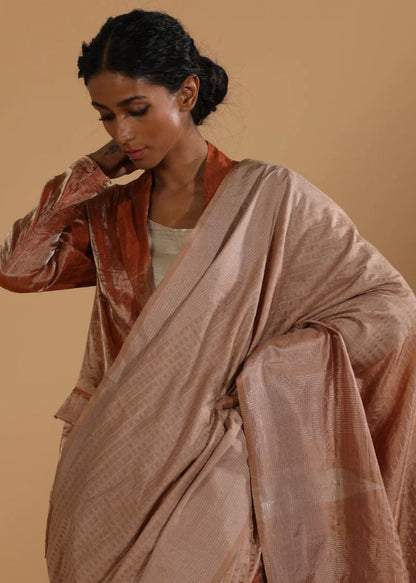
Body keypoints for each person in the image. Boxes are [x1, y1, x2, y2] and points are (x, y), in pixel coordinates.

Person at [1, 8, 415, 583]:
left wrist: (271, 370)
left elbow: (390, 309)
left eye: (136, 109)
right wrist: (86, 175)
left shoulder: (270, 197)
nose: (122, 134)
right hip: (110, 463)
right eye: (106, 116)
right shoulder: (110, 212)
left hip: (219, 460)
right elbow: (19, 270)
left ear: (187, 92)